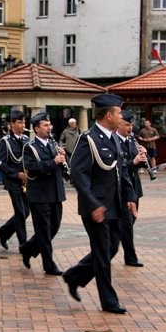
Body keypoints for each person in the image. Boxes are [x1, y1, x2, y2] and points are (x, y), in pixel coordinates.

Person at [62, 93, 137, 314]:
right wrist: (93, 204)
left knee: (111, 248)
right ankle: (109, 300)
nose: (121, 116)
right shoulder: (89, 139)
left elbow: (121, 171)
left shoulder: (114, 138)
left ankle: (74, 276)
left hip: (114, 205)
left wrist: (130, 197)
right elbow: (78, 174)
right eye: (118, 113)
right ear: (108, 116)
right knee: (103, 253)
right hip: (96, 208)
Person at [20, 112, 67, 275]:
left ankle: (27, 248)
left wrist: (63, 157)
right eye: (45, 125)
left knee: (54, 227)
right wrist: (53, 162)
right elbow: (32, 168)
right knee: (44, 231)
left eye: (49, 124)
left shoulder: (53, 144)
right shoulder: (30, 147)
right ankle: (49, 265)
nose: (49, 128)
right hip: (40, 195)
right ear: (36, 129)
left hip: (55, 192)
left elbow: (60, 167)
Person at [115, 110, 148, 267]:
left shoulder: (131, 141)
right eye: (127, 125)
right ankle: (130, 257)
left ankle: (110, 242)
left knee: (130, 221)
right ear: (119, 124)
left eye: (131, 125)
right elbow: (119, 167)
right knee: (127, 223)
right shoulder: (114, 141)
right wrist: (133, 162)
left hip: (134, 187)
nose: (130, 128)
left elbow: (138, 164)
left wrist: (143, 157)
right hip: (122, 188)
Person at [0, 110, 30, 250]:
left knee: (26, 211)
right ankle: (23, 244)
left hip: (25, 181)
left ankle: (4, 232)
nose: (23, 125)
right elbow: (0, 162)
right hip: (13, 181)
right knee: (20, 212)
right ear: (12, 124)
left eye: (24, 122)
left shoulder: (26, 139)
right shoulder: (5, 141)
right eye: (20, 122)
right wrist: (16, 174)